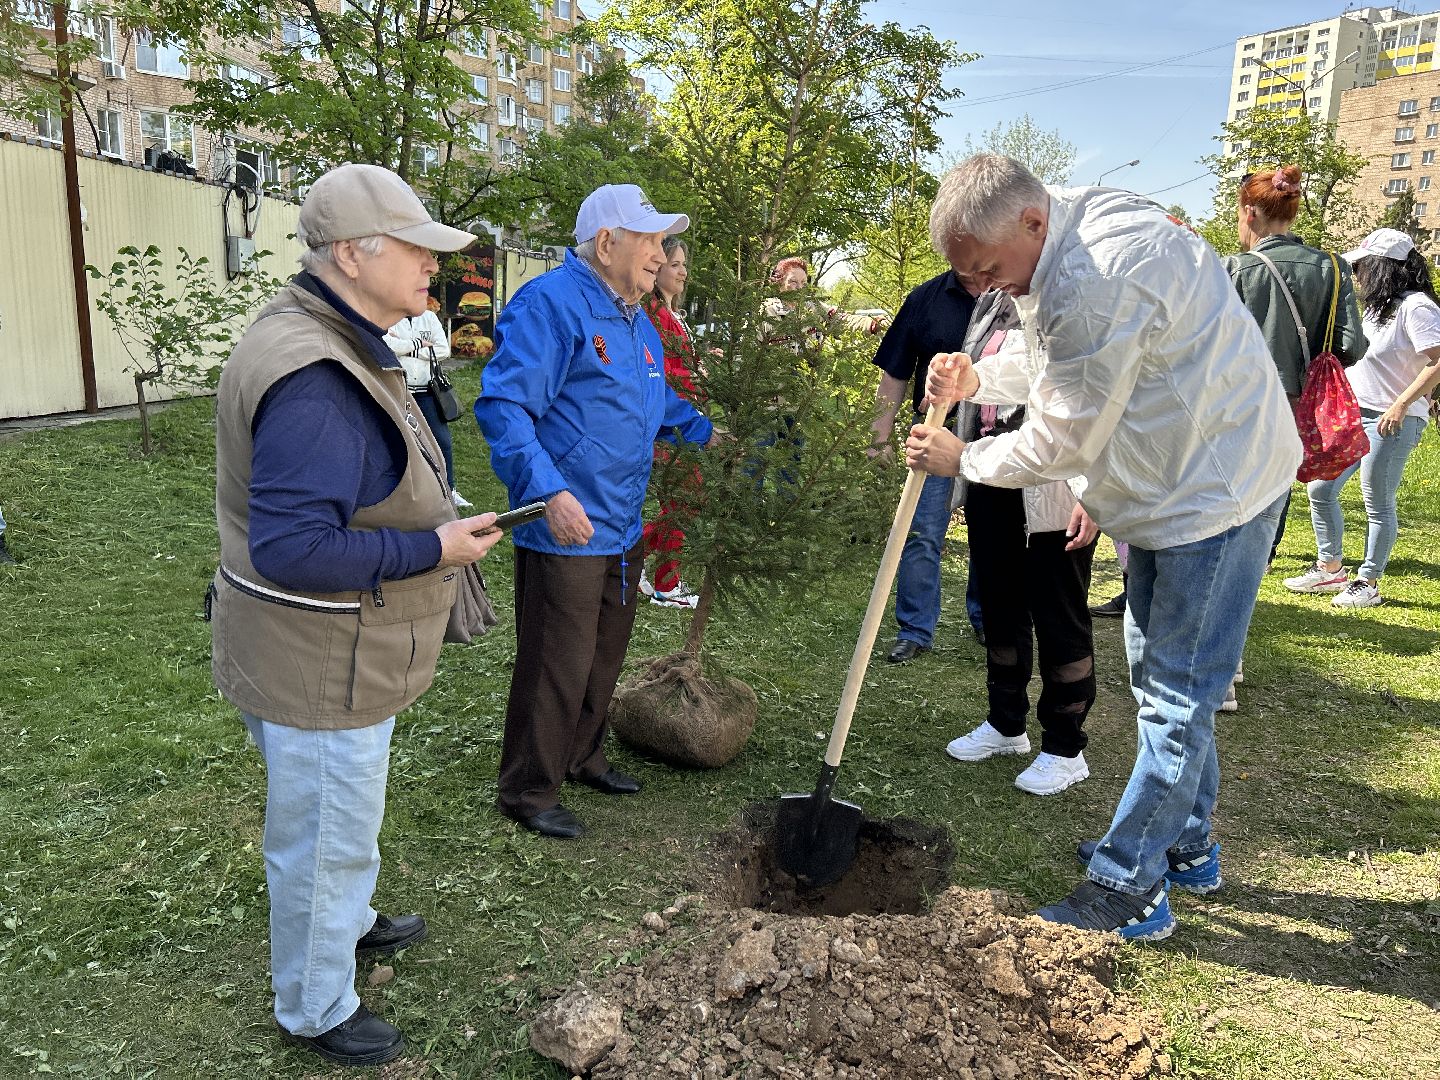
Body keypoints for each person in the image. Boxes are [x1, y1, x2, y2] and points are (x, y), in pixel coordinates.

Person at [908, 154, 1300, 941]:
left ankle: (1129, 885)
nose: (984, 287)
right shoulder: (1059, 236)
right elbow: (1054, 356)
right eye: (969, 276)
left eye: (987, 269)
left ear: (1030, 221)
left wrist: (966, 460)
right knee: (1166, 680)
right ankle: (1187, 846)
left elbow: (1059, 436)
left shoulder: (1101, 272)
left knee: (1177, 696)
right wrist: (977, 380)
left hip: (1216, 495)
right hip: (1167, 488)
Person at [210, 163, 503, 1066]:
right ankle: (315, 1004)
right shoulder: (317, 378)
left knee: (337, 817)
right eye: (417, 248)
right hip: (317, 652)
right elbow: (293, 547)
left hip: (303, 643)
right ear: (351, 254)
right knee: (323, 834)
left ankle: (352, 922)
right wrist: (436, 549)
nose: (435, 267)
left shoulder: (321, 330)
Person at [475, 183, 717, 840]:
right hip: (568, 524)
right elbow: (504, 408)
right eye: (651, 240)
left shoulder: (634, 318)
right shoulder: (550, 306)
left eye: (665, 242)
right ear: (607, 243)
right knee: (557, 658)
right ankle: (528, 788)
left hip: (621, 520)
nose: (663, 254)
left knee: (604, 651)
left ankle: (582, 756)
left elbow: (650, 401)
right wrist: (548, 493)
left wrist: (704, 431)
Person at [942, 323, 1100, 795]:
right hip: (992, 481)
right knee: (1000, 608)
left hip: (1055, 489)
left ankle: (1065, 748)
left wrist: (1092, 495)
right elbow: (993, 385)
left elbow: (1095, 407)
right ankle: (1006, 724)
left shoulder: (1071, 304)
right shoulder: (991, 307)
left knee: (1059, 615)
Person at [1283, 228, 1440, 608]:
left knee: (1377, 501)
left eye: (1362, 266)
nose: (1357, 273)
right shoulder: (1376, 307)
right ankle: (1331, 568)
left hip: (1394, 420)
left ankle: (1368, 582)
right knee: (1320, 489)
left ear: (1385, 267)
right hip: (1354, 415)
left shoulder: (1418, 307)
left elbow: (1438, 361)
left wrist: (1401, 405)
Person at [1225, 165, 1366, 566]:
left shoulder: (1236, 269)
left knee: (1233, 495)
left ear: (1249, 212)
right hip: (1303, 410)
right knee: (1274, 493)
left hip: (1241, 405)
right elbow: (1351, 346)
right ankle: (1261, 557)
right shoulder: (1334, 268)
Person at [867, 269, 983, 664]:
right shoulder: (926, 298)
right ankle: (914, 629)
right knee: (922, 533)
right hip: (938, 433)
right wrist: (878, 437)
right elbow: (895, 370)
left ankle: (990, 618)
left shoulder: (1011, 294)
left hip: (995, 437)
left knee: (993, 532)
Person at [638, 236, 704, 609]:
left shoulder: (672, 313)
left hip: (684, 418)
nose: (682, 271)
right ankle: (665, 582)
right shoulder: (654, 316)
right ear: (658, 266)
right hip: (673, 425)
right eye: (675, 264)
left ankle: (637, 560)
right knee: (682, 502)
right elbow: (662, 373)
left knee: (683, 502)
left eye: (683, 265)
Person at [385, 306, 472, 507]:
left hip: (427, 390)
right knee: (399, 440)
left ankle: (450, 490)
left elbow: (443, 349)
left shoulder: (429, 318)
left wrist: (406, 348)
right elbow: (386, 345)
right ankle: (402, 492)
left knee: (442, 440)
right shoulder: (389, 314)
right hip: (399, 389)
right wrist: (418, 344)